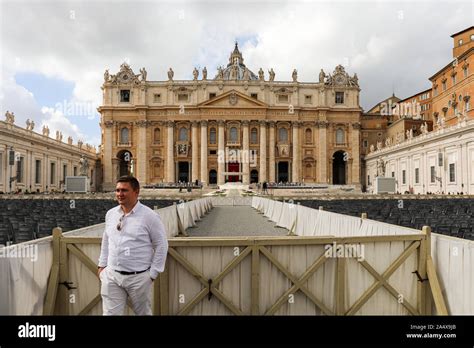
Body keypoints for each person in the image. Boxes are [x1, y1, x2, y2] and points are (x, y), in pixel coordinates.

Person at [98, 176, 168, 315]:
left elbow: (161, 245)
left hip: (139, 277)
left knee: (143, 313)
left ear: (136, 192)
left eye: (124, 190)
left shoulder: (150, 216)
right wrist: (102, 266)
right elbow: (106, 240)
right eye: (117, 190)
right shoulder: (110, 214)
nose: (119, 194)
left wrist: (153, 274)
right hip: (112, 276)